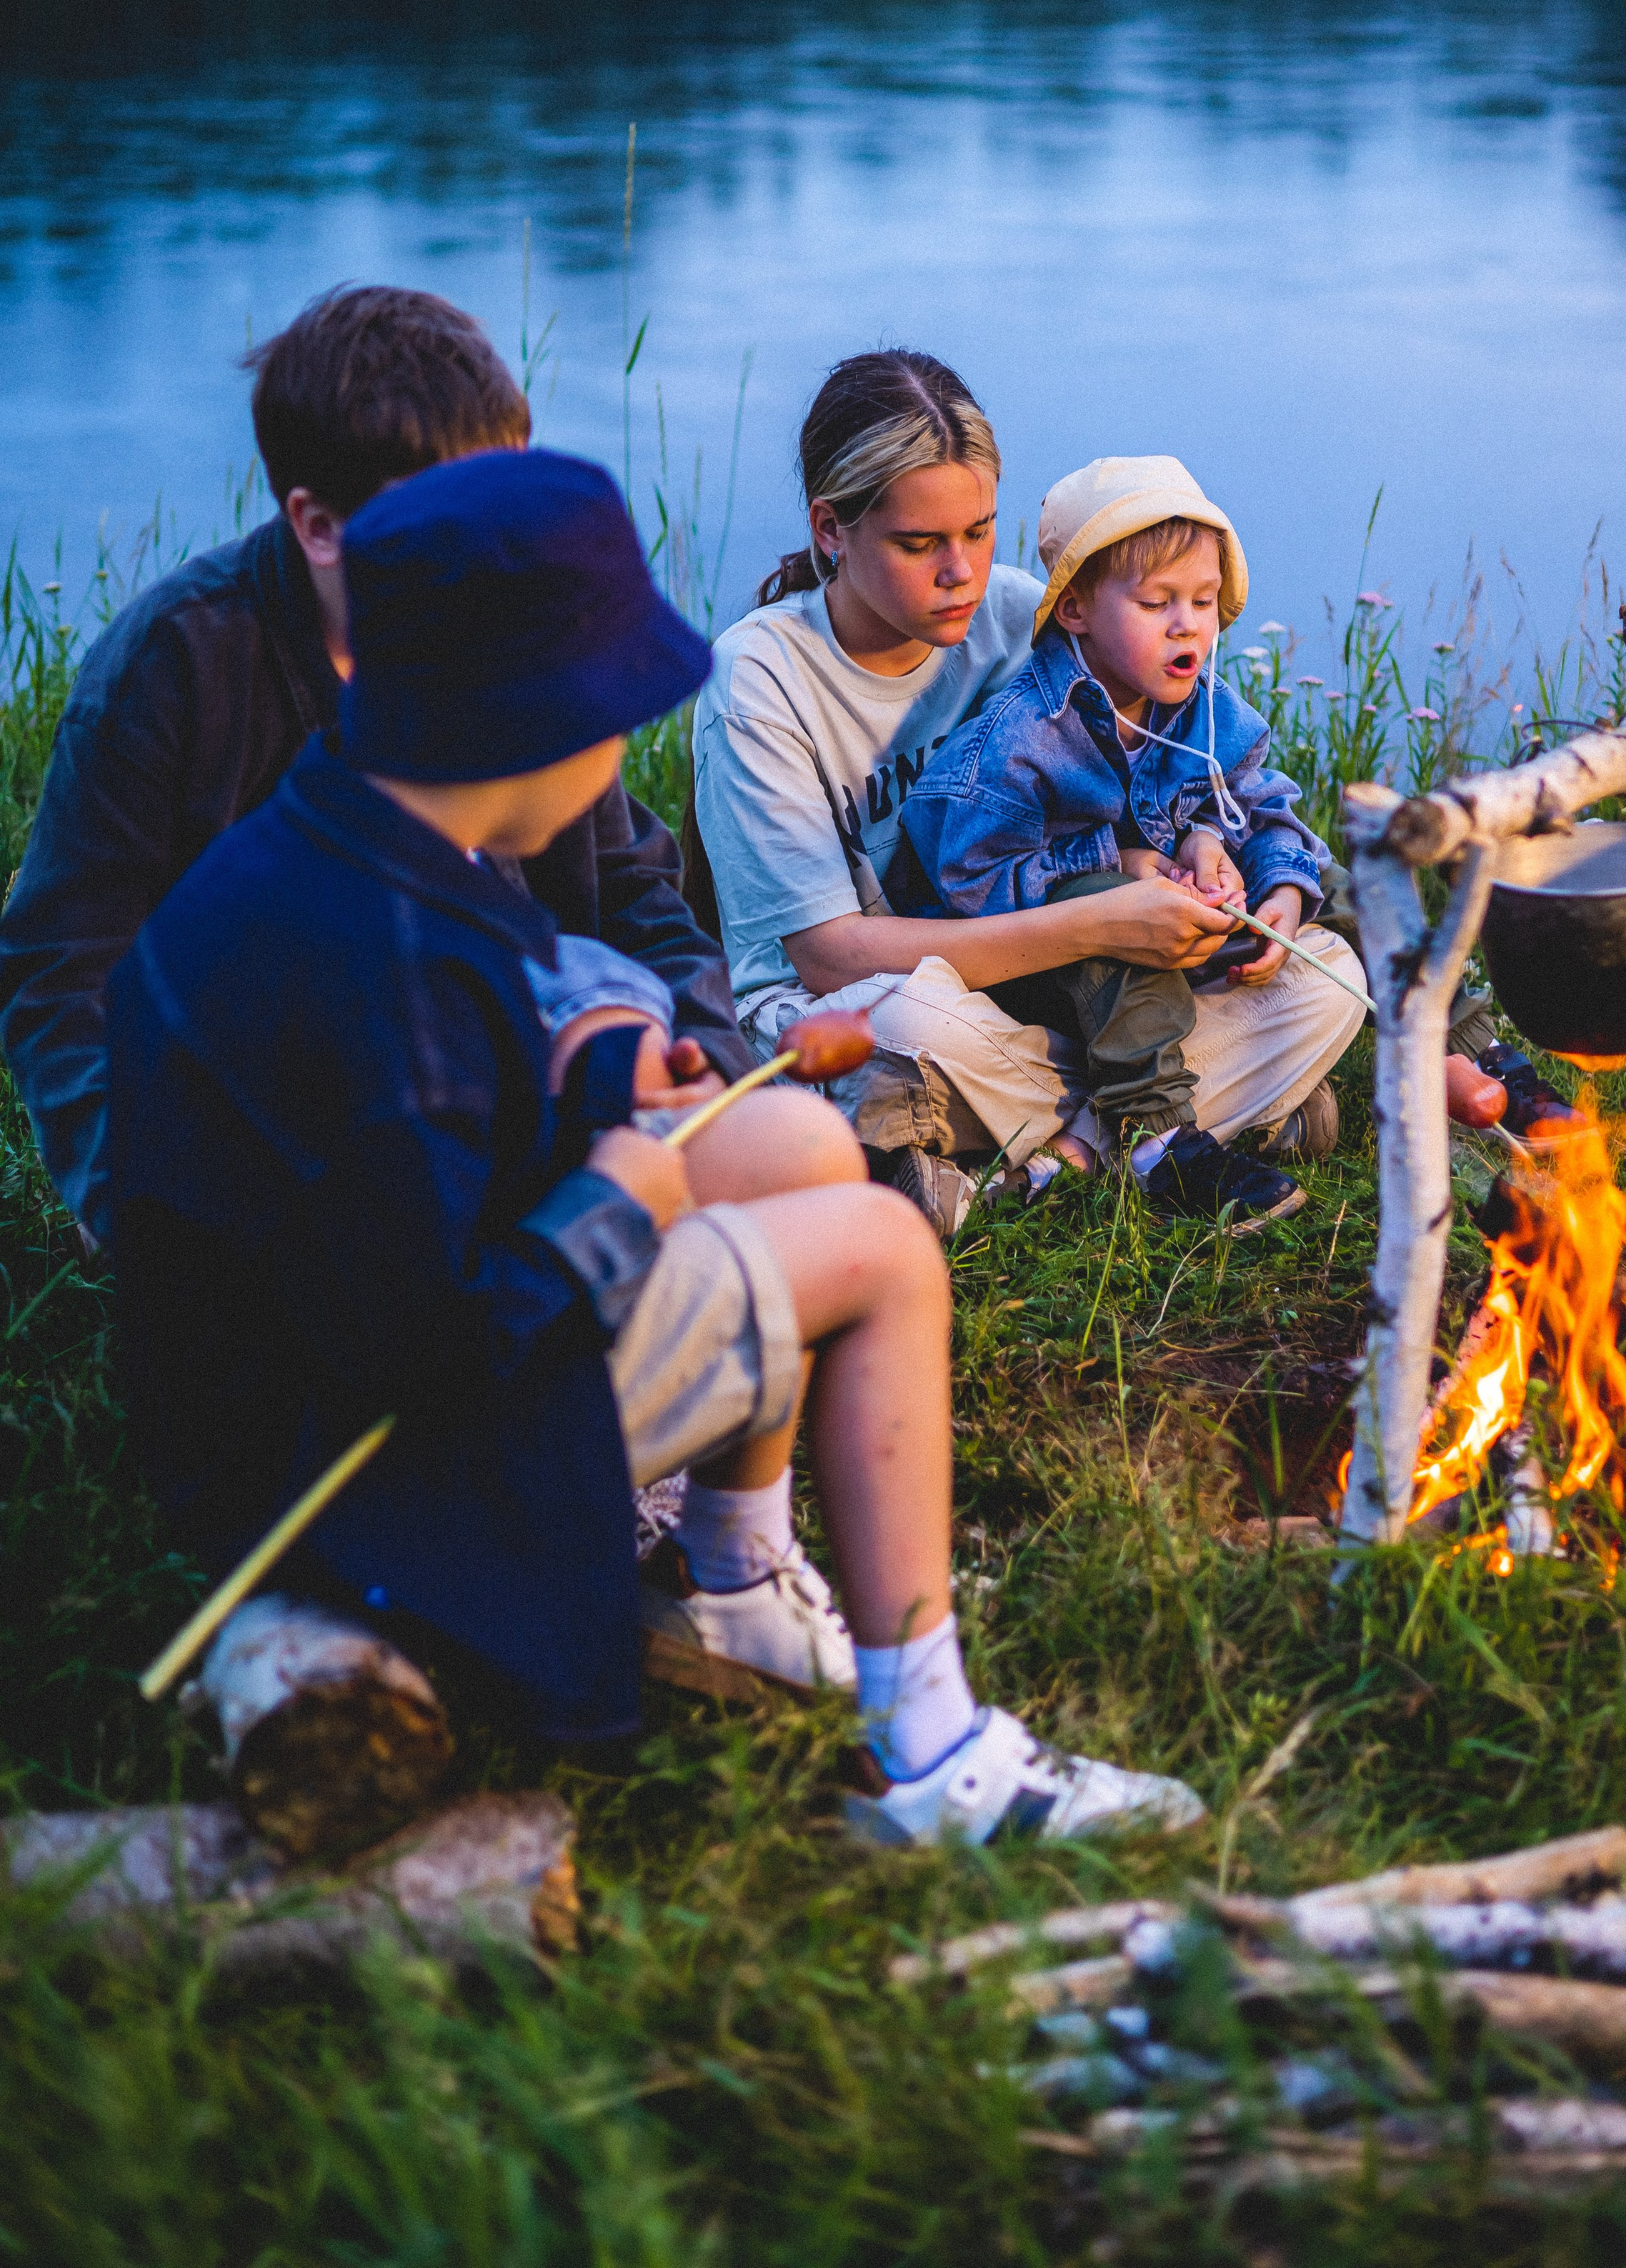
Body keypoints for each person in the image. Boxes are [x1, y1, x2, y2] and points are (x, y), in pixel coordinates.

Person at [108, 449, 1206, 1854]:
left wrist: (592, 1077)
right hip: (341, 1476)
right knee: (881, 1248)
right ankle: (937, 1758)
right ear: (528, 720)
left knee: (800, 1143)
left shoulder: (352, 838)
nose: (628, 749)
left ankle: (735, 1580)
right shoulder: (391, 969)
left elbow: (429, 1134)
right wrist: (608, 1209)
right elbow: (427, 1340)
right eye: (618, 711)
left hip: (347, 1365)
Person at [0, 285, 752, 1252]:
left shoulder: (513, 626)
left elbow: (635, 889)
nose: (499, 547)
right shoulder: (177, 667)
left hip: (508, 1064)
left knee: (780, 1151)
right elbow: (64, 971)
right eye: (454, 515)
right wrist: (139, 1204)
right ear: (317, 524)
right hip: (315, 1119)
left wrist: (710, 1063)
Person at [690, 351, 1366, 1234]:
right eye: (918, 544)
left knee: (1329, 979)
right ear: (831, 529)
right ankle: (1171, 1127)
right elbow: (827, 957)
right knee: (918, 1025)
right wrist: (1100, 922)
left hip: (1044, 990)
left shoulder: (1017, 618)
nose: (960, 573)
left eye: (978, 531)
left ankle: (1053, 1151)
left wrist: (1195, 863)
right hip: (854, 1006)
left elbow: (1142, 794)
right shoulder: (760, 681)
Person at [897, 456, 1352, 1227]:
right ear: (1074, 610)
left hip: (1153, 945)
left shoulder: (1208, 710)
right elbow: (972, 886)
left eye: (1204, 602)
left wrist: (1243, 867)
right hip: (1031, 967)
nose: (1188, 625)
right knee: (1120, 915)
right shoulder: (1023, 737)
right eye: (1156, 603)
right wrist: (1121, 867)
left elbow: (1255, 804)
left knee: (1327, 876)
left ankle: (1462, 1043)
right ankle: (1158, 1139)